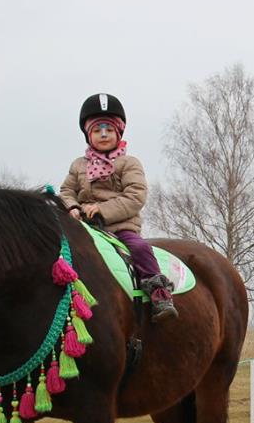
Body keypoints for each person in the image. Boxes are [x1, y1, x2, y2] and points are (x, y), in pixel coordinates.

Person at [60, 93, 178, 322]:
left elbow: (135, 196)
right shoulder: (79, 165)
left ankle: (159, 294)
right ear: (88, 135)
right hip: (84, 227)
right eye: (97, 130)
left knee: (140, 248)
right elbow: (66, 191)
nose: (103, 134)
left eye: (109, 129)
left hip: (120, 227)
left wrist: (102, 209)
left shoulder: (129, 163)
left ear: (118, 133)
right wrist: (72, 207)